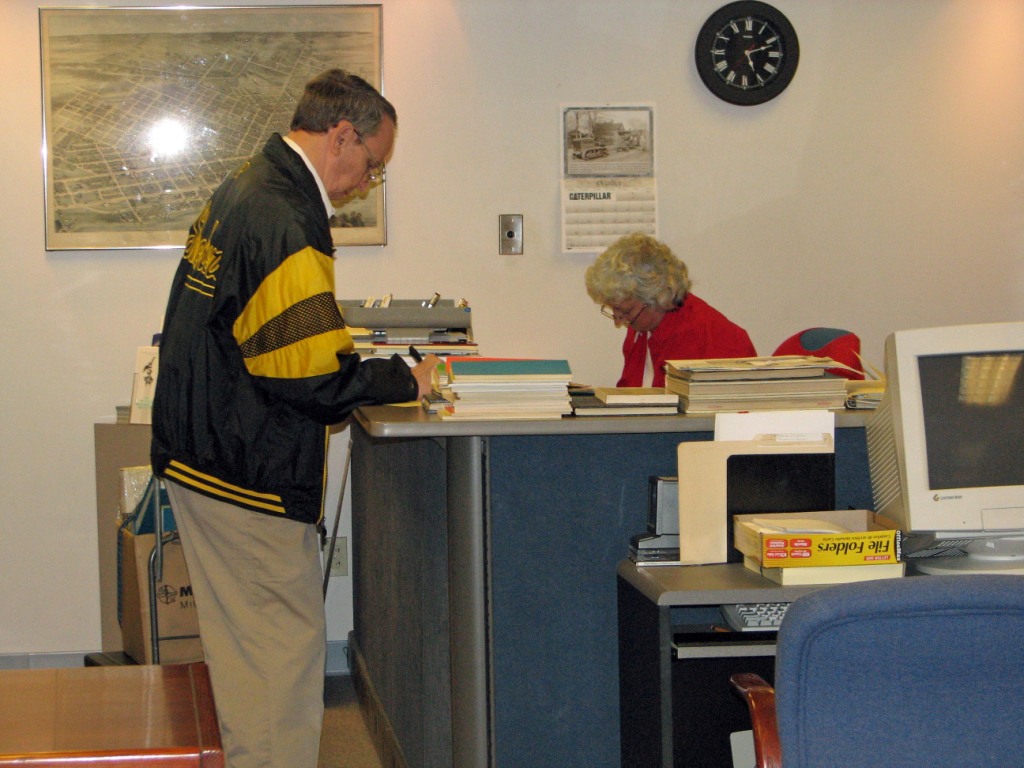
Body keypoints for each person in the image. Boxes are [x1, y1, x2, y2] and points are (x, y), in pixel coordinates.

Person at [150, 69, 437, 768]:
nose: (363, 184)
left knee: (250, 661)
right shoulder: (285, 216)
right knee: (280, 663)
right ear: (342, 134)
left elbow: (268, 335)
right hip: (245, 474)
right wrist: (406, 377)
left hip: (206, 458)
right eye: (370, 166)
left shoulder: (248, 187)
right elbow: (309, 375)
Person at [584, 233, 756, 387]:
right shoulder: (641, 328)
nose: (618, 320)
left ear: (657, 298)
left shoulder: (715, 340)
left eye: (626, 312)